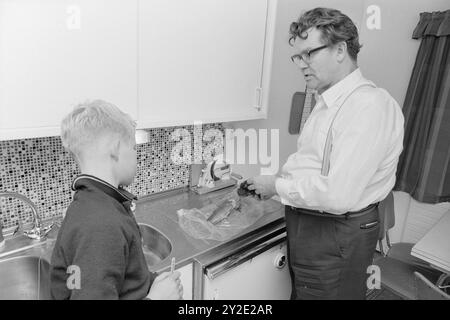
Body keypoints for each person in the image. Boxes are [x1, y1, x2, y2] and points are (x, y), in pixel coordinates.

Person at [247, 7, 404, 300]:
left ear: (340, 49)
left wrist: (276, 186)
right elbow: (314, 162)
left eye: (310, 53)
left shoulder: (368, 106)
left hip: (336, 232)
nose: (301, 64)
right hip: (314, 226)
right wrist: (276, 182)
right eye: (298, 56)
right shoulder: (328, 100)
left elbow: (337, 195)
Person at [50, 100, 183, 300]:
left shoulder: (94, 203)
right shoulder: (101, 224)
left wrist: (151, 282)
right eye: (133, 148)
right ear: (115, 148)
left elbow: (118, 279)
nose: (136, 156)